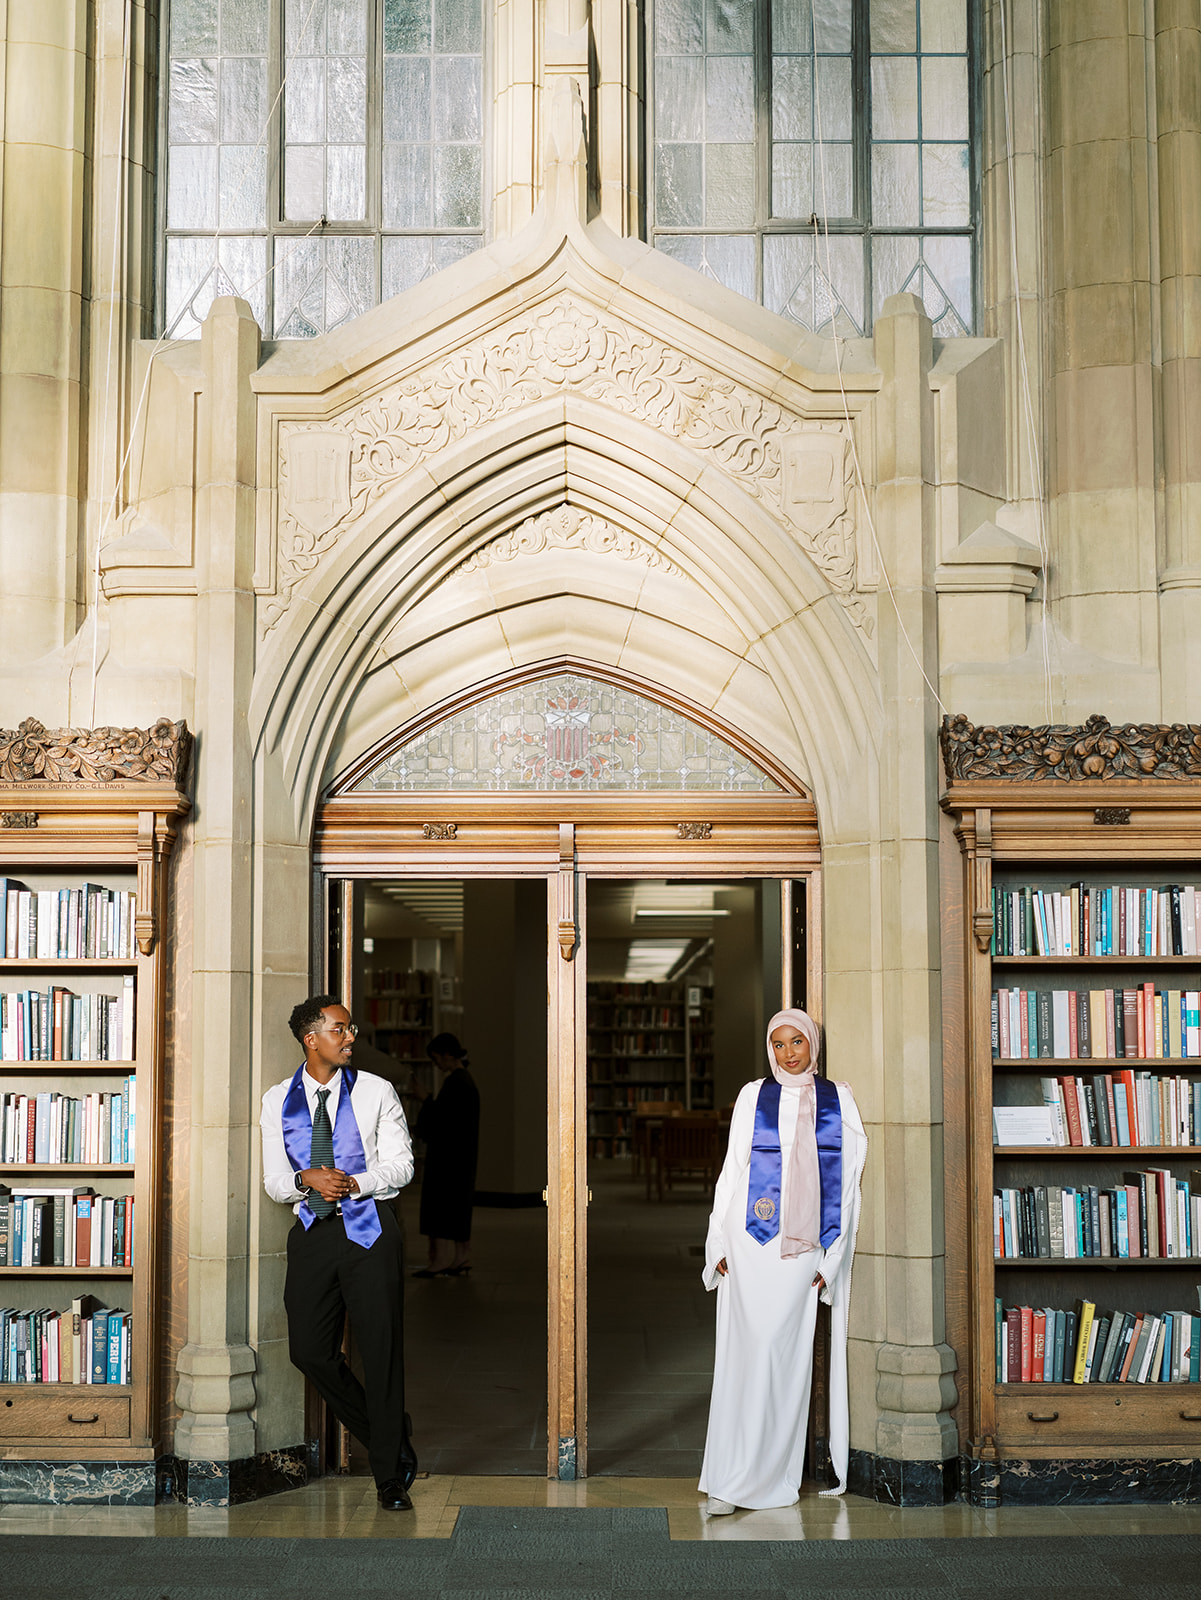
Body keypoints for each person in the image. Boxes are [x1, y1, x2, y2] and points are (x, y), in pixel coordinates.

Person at [698, 1007, 867, 1514]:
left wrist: (831, 1258)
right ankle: (730, 1480)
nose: (788, 1053)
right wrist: (718, 1243)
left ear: (812, 1045)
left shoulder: (841, 1100)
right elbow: (733, 1171)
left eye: (797, 1042)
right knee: (742, 1357)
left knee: (784, 1358)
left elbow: (850, 1190)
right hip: (751, 1243)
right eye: (778, 1044)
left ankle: (771, 1478)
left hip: (804, 1250)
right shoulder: (753, 1096)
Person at [260, 994, 418, 1511]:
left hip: (370, 1230)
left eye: (350, 1030)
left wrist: (354, 1183)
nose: (351, 1038)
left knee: (381, 1351)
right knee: (308, 1350)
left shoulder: (376, 1091)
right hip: (312, 1232)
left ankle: (390, 1477)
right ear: (312, 1038)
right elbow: (275, 1181)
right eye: (341, 1030)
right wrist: (305, 1178)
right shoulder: (276, 1099)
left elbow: (401, 1167)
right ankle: (386, 1432)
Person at [412, 1033, 480, 1277]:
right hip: (461, 1157)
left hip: (447, 1159)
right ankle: (461, 1256)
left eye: (437, 1058)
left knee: (440, 1207)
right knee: (458, 1207)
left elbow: (442, 1122)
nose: (436, 1064)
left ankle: (440, 1260)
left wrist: (425, 1099)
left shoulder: (456, 1083)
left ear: (447, 1055)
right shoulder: (465, 1081)